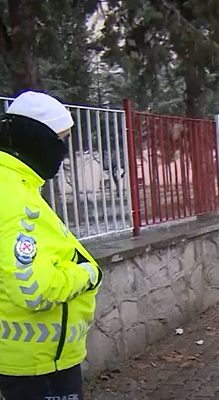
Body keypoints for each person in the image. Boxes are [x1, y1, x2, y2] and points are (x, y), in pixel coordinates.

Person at [0, 91, 102, 400]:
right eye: (61, 140)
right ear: (38, 140)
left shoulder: (16, 185)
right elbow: (33, 288)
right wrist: (86, 274)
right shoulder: (17, 201)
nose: (63, 152)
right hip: (39, 367)